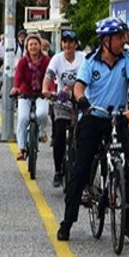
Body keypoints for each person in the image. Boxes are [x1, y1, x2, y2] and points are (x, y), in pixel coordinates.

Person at [56, 18, 129, 245]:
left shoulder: (127, 59)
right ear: (106, 40)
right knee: (80, 170)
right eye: (119, 37)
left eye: (123, 36)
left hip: (116, 119)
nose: (123, 41)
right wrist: (82, 101)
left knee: (128, 171)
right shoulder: (90, 61)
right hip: (93, 117)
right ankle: (67, 222)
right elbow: (79, 86)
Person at [43, 29, 85, 187]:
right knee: (60, 134)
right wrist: (46, 89)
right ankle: (58, 170)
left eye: (71, 42)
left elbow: (86, 76)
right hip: (62, 101)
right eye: (65, 42)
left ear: (76, 44)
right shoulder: (57, 59)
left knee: (83, 135)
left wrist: (73, 87)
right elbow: (49, 75)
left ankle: (84, 174)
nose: (68, 45)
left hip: (81, 101)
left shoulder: (83, 58)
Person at [11, 33, 51, 161]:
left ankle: (42, 132)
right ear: (27, 47)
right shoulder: (22, 61)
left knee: (42, 114)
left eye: (36, 44)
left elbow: (51, 76)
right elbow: (18, 76)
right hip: (25, 93)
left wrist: (51, 90)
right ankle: (21, 149)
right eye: (30, 44)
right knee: (22, 118)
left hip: (41, 93)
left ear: (40, 46)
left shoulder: (46, 61)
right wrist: (16, 88)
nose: (33, 47)